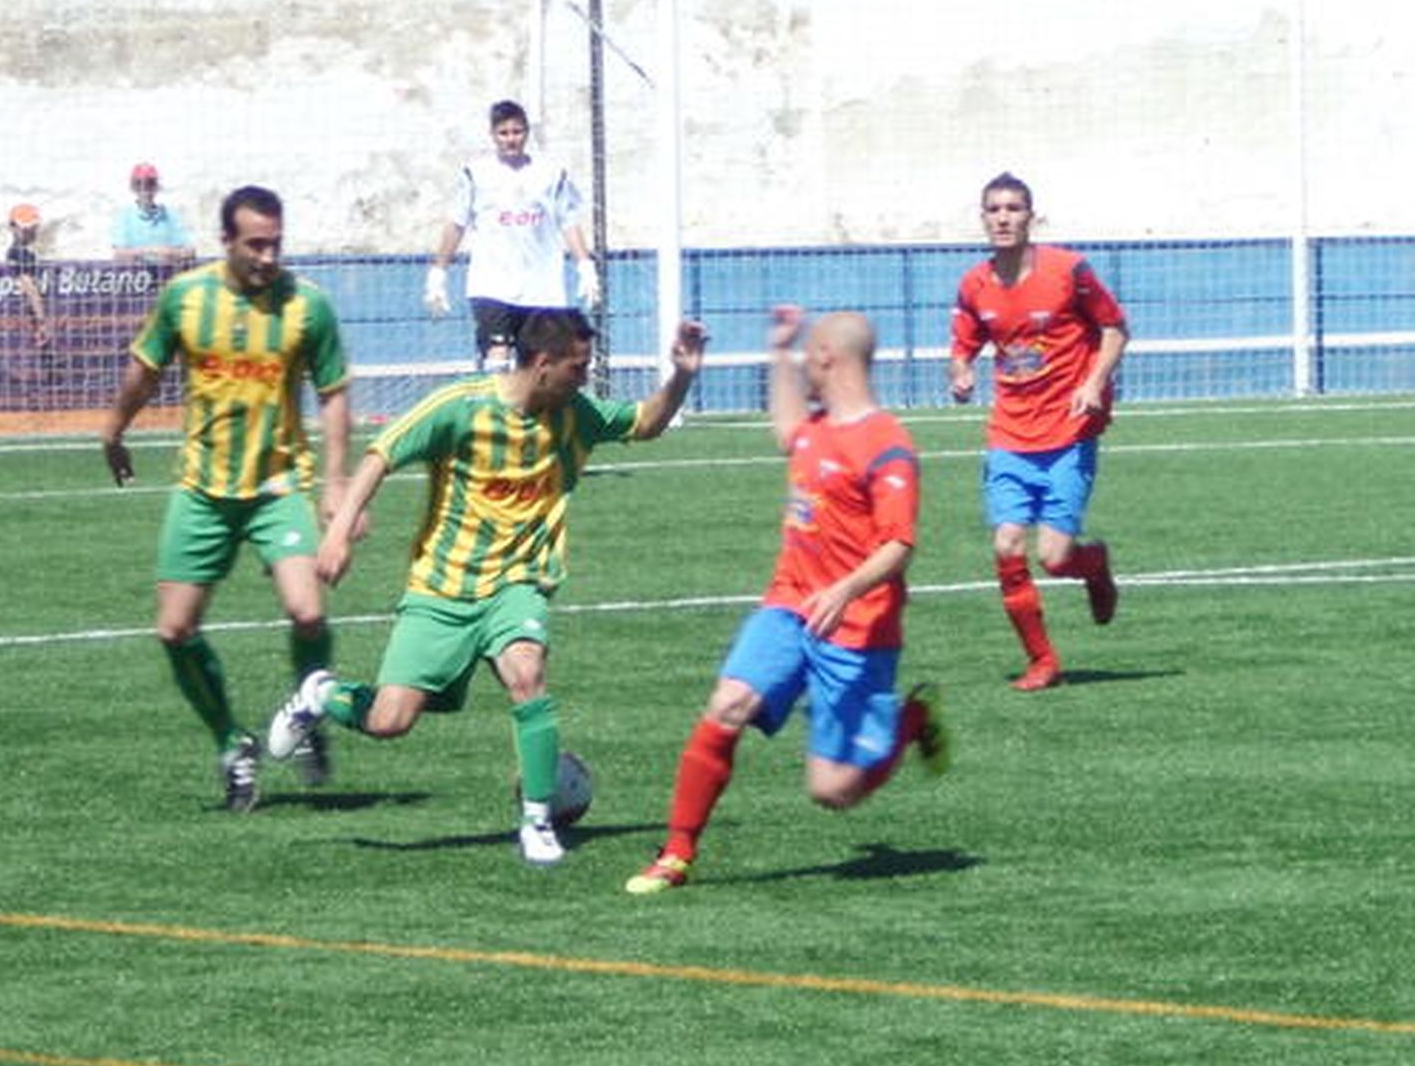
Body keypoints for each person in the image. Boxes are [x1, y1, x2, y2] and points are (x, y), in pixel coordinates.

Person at [267, 309, 707, 867]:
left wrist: (684, 375)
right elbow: (384, 452)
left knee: (528, 672)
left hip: (518, 584)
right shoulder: (462, 406)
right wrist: (337, 533)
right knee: (390, 720)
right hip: (443, 589)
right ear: (543, 364)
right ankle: (321, 695)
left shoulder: (576, 412)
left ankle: (537, 821)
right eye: (578, 366)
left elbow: (646, 422)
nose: (585, 377)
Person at [625, 306, 947, 896]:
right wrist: (777, 350)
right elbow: (785, 430)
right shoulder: (816, 430)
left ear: (827, 357)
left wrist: (846, 588)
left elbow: (900, 545)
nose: (804, 364)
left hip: (858, 629)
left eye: (806, 354)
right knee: (728, 704)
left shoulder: (887, 444)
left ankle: (910, 722)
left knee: (832, 792)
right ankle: (676, 853)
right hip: (789, 605)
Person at [101, 185, 351, 813]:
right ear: (226, 242)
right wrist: (114, 429)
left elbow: (335, 393)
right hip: (203, 487)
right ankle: (232, 742)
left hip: (276, 485)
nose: (268, 256)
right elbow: (146, 368)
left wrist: (336, 486)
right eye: (255, 244)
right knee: (174, 628)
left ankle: (306, 712)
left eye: (276, 243)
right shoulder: (186, 298)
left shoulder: (307, 307)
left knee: (308, 612)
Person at [948, 172, 1130, 692]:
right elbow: (963, 345)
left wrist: (1095, 381)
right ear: (983, 218)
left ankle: (1093, 565)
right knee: (1007, 544)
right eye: (994, 209)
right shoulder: (974, 284)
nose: (1003, 218)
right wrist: (960, 372)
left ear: (1032, 216)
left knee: (1053, 558)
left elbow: (1116, 328)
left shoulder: (1069, 270)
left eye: (1014, 208)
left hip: (1068, 432)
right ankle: (1043, 661)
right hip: (1009, 434)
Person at [423, 100, 601, 371]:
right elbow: (456, 223)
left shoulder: (551, 174)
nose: (511, 139)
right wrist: (438, 272)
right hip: (492, 284)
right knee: (498, 356)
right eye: (504, 133)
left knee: (541, 363)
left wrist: (585, 266)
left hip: (541, 287)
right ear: (493, 135)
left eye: (517, 132)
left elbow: (568, 221)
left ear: (527, 133)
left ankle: (536, 413)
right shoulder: (476, 174)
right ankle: (495, 412)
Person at [111, 162, 195, 268]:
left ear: (156, 186)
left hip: (167, 277)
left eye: (150, 183)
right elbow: (119, 255)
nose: (145, 189)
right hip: (137, 280)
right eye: (139, 183)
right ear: (133, 187)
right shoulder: (124, 217)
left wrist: (169, 254)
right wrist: (151, 251)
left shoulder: (170, 215)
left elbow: (190, 251)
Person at [6, 202, 52, 347]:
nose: (30, 232)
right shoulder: (17, 253)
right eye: (26, 228)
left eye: (33, 227)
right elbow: (29, 288)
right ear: (12, 227)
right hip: (25, 321)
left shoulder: (29, 251)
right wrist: (41, 321)